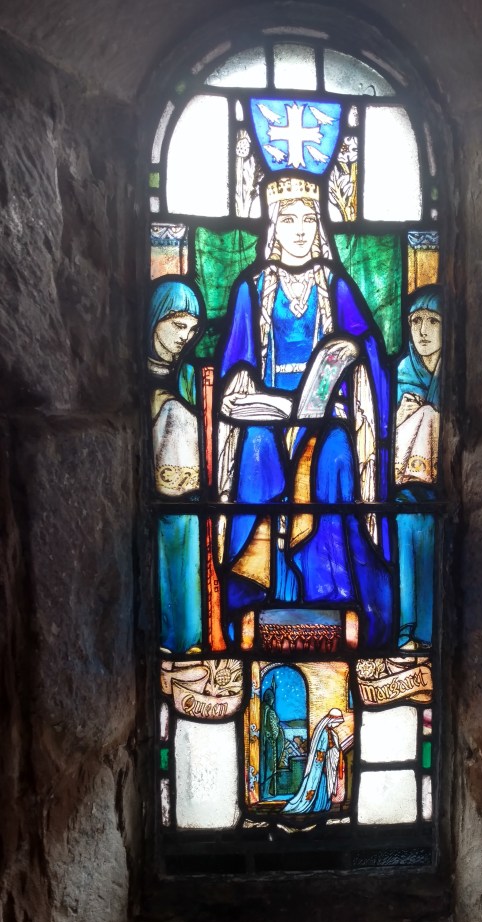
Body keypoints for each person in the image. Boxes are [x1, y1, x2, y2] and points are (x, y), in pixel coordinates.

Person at [216, 175, 393, 649]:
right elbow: (233, 369)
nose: (298, 229)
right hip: (267, 421)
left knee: (335, 450)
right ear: (272, 225)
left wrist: (350, 364)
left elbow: (370, 354)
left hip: (325, 419)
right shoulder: (251, 291)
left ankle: (328, 592)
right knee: (254, 448)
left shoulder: (336, 287)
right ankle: (261, 592)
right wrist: (246, 388)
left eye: (309, 219)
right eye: (288, 219)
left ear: (320, 227)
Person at [148, 280, 204, 654]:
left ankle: (190, 640)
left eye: (191, 328)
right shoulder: (134, 371)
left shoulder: (191, 375)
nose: (185, 336)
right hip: (155, 500)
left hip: (190, 500)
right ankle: (167, 641)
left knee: (187, 567)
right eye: (177, 325)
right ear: (154, 321)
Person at [394, 285, 442, 650]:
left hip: (441, 493)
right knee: (404, 549)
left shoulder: (454, 376)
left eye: (433, 321)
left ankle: (428, 634)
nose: (423, 331)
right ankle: (404, 632)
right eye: (415, 321)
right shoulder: (399, 374)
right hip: (402, 494)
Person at [282, 707, 345, 814]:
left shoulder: (332, 734)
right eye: (336, 723)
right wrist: (325, 761)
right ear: (331, 720)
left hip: (327, 765)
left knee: (325, 786)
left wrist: (335, 753)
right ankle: (317, 807)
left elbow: (334, 748)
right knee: (319, 785)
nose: (336, 725)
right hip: (320, 766)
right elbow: (320, 751)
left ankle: (325, 805)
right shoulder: (323, 733)